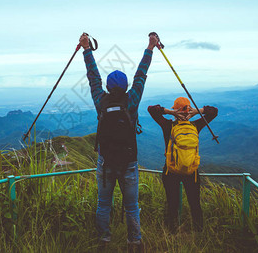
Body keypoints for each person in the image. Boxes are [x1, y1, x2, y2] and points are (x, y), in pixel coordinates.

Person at [79, 33, 158, 251]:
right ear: (124, 86)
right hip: (129, 163)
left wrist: (87, 49)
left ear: (108, 85)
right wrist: (150, 47)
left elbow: (92, 77)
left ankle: (104, 240)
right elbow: (141, 75)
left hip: (105, 163)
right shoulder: (131, 100)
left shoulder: (100, 100)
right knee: (132, 206)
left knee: (103, 203)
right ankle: (135, 242)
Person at [148, 97, 218, 233]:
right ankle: (198, 233)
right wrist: (199, 111)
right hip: (191, 172)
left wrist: (170, 112)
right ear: (189, 109)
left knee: (172, 204)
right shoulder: (196, 125)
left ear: (175, 109)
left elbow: (152, 110)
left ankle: (171, 233)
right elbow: (214, 112)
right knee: (195, 204)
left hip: (171, 171)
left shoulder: (168, 125)